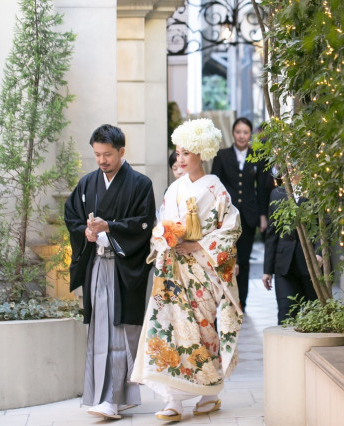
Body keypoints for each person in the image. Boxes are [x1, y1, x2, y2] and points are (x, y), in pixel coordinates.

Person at [131, 118, 243, 422]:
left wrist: (198, 246)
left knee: (202, 333)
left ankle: (209, 392)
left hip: (202, 271)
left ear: (201, 153)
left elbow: (230, 230)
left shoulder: (217, 189)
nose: (180, 159)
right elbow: (160, 226)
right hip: (173, 270)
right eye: (178, 153)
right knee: (167, 330)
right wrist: (165, 236)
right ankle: (173, 400)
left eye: (186, 153)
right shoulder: (174, 189)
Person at [64, 124, 156, 420]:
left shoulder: (140, 184)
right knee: (99, 333)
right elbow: (72, 216)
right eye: (97, 155)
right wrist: (86, 233)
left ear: (122, 152)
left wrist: (110, 228)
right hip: (96, 265)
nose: (102, 161)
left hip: (123, 267)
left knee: (120, 332)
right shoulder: (88, 183)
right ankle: (106, 395)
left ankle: (113, 399)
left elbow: (144, 223)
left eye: (107, 155)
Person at [211, 117, 269, 310]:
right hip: (227, 217)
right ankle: (224, 300)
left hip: (249, 217)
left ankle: (240, 302)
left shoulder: (257, 156)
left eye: (245, 132)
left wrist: (262, 216)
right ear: (233, 133)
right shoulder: (222, 156)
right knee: (226, 258)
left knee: (243, 261)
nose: (242, 136)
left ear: (250, 134)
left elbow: (261, 189)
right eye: (238, 132)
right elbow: (215, 186)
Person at [262, 171, 319, 324]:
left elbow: (325, 226)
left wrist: (319, 253)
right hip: (284, 265)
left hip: (311, 264)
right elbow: (272, 233)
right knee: (285, 314)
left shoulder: (316, 191)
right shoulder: (276, 193)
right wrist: (267, 270)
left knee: (313, 314)